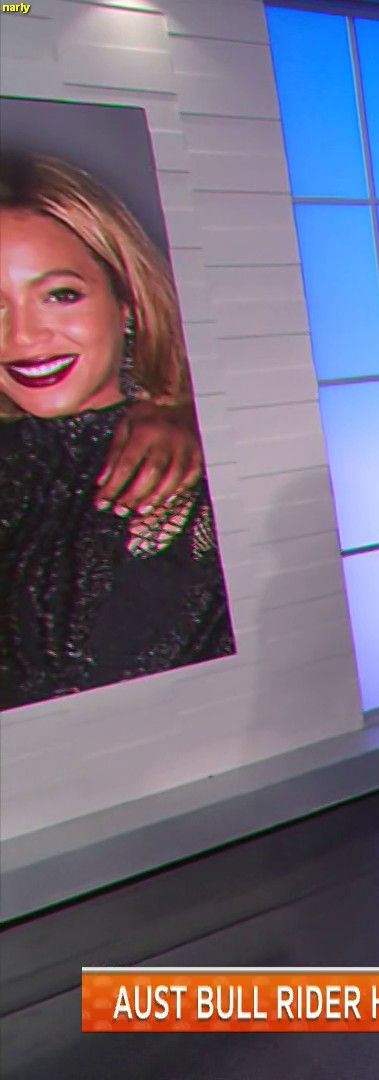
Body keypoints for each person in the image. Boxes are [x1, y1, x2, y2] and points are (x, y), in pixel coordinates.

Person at [0, 154, 234, 709]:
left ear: (125, 300)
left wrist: (194, 416)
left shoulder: (187, 473)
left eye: (61, 295)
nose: (24, 335)